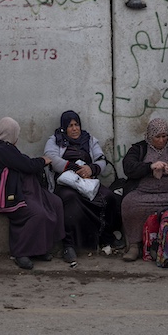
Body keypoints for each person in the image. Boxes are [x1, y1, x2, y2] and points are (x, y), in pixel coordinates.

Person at [0, 117, 70, 269]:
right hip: (7, 197)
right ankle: (20, 252)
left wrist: (39, 162)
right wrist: (43, 161)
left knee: (55, 203)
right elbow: (27, 165)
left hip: (21, 191)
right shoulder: (0, 150)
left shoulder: (5, 148)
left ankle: (41, 248)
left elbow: (22, 162)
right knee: (38, 213)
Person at [119, 117, 168, 262]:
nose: (162, 140)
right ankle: (134, 244)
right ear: (150, 136)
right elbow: (128, 167)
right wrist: (149, 166)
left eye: (165, 136)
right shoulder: (139, 149)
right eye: (158, 137)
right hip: (144, 194)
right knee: (129, 204)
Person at [44, 110, 121, 258]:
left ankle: (105, 237)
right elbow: (51, 158)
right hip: (65, 182)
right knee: (71, 199)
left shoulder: (89, 139)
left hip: (87, 181)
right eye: (70, 125)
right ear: (64, 128)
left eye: (76, 125)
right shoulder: (55, 140)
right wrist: (73, 168)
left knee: (108, 197)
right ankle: (69, 245)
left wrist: (91, 169)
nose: (74, 129)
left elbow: (101, 159)